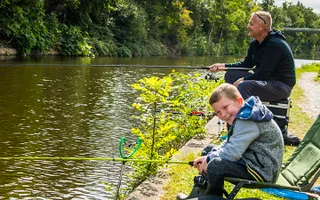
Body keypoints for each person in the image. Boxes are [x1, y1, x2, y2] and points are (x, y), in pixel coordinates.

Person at [178, 83, 284, 199]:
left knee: (215, 165)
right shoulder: (244, 114)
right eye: (218, 112)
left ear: (239, 101)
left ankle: (212, 197)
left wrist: (209, 159)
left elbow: (232, 153)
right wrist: (209, 155)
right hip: (252, 161)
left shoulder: (247, 120)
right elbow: (230, 142)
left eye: (225, 107)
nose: (223, 114)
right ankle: (201, 193)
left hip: (262, 171)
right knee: (209, 150)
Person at [209, 11, 299, 146]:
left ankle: (243, 129)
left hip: (281, 86)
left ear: (262, 26)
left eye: (251, 24)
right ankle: (234, 122)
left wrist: (244, 80)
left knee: (244, 86)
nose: (248, 26)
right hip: (267, 81)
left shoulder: (275, 44)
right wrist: (223, 66)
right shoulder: (255, 43)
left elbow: (264, 73)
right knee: (231, 75)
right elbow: (247, 64)